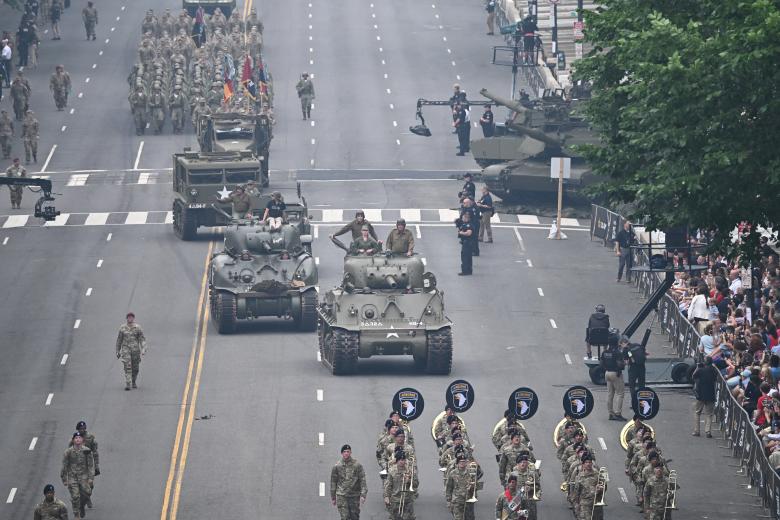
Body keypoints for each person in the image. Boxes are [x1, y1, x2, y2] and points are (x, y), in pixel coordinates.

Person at [60, 431, 94, 519]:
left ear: (82, 440)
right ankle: (76, 514)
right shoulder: (68, 452)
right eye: (76, 438)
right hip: (72, 477)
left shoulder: (87, 451)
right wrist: (64, 479)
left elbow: (90, 465)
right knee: (75, 496)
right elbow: (64, 466)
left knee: (87, 493)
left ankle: (81, 506)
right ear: (73, 440)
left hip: (84, 477)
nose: (78, 439)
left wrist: (91, 477)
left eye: (79, 438)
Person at [330, 444, 367, 520]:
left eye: (348, 451)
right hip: (341, 495)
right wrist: (333, 497)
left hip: (354, 496)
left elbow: (362, 480)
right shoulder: (337, 466)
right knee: (345, 517)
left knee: (354, 517)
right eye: (344, 452)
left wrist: (363, 495)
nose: (346, 453)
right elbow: (333, 482)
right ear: (342, 453)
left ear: (350, 453)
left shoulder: (357, 465)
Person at [115, 312, 146, 390]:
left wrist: (143, 349)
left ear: (133, 318)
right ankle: (128, 384)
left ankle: (133, 381)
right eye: (129, 317)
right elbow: (119, 340)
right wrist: (117, 351)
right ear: (127, 318)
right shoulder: (122, 328)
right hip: (126, 350)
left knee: (135, 368)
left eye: (131, 317)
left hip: (135, 351)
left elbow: (142, 339)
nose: (130, 319)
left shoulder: (138, 328)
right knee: (127, 366)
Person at [384, 451, 417, 519]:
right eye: (400, 460)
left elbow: (416, 484)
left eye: (404, 460)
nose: (402, 462)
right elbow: (388, 485)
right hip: (395, 500)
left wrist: (409, 481)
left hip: (408, 500)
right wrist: (386, 496)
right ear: (397, 461)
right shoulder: (392, 471)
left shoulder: (410, 470)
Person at [600, 337, 626, 420]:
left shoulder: (605, 352)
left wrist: (607, 368)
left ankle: (611, 413)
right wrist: (623, 364)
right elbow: (620, 365)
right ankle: (618, 413)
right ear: (616, 343)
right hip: (615, 374)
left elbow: (601, 363)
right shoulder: (617, 352)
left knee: (610, 394)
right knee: (620, 394)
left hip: (607, 373)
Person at [573, 454, 605, 520]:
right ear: (583, 464)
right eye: (586, 462)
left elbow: (604, 486)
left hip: (596, 503)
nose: (588, 464)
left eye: (590, 462)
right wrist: (576, 505)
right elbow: (576, 493)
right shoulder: (579, 477)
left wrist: (601, 489)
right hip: (585, 504)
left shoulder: (597, 474)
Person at [692, 356, 717, 438]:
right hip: (711, 394)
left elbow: (693, 376)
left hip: (701, 394)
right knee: (709, 414)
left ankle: (697, 431)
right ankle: (708, 431)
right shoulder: (714, 370)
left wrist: (698, 367)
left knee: (697, 412)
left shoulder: (701, 370)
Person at [445, 455, 474, 520]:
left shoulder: (471, 473)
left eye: (464, 462)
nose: (462, 463)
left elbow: (476, 485)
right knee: (458, 518)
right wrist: (448, 501)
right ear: (457, 463)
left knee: (469, 518)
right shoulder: (453, 473)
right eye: (460, 462)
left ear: (466, 463)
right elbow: (449, 488)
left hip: (468, 500)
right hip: (457, 501)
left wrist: (472, 487)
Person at [625, 335, 647, 410]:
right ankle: (642, 403)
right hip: (642, 367)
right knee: (642, 386)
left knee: (632, 386)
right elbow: (644, 353)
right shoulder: (638, 345)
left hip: (633, 369)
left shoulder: (627, 349)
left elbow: (627, 361)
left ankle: (634, 403)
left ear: (624, 343)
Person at [457, 211, 474, 275]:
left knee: (465, 257)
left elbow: (469, 233)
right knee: (468, 257)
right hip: (465, 242)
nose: (462, 219)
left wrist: (461, 233)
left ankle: (465, 271)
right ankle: (469, 270)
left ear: (467, 218)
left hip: (467, 243)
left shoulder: (469, 225)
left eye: (463, 218)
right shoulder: (464, 224)